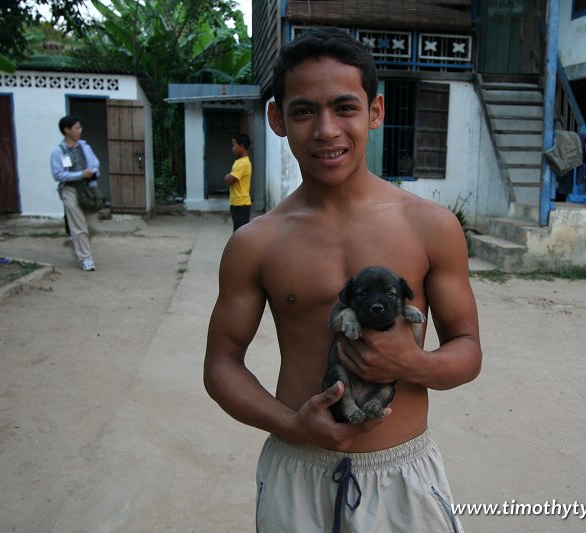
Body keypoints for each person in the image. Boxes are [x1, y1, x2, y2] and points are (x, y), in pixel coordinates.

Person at [204, 27, 481, 532]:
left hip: (402, 475)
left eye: (345, 107)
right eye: (304, 110)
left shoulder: (431, 226)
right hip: (297, 468)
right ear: (277, 119)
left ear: (375, 112)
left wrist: (412, 362)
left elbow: (467, 349)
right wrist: (289, 424)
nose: (326, 129)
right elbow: (221, 365)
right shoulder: (256, 243)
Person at [50, 115, 101, 271]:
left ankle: (75, 240)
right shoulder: (58, 152)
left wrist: (93, 173)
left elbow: (95, 163)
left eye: (80, 127)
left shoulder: (85, 147)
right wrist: (80, 174)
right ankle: (85, 258)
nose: (80, 130)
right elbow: (58, 174)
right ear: (67, 130)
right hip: (70, 190)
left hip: (87, 189)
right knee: (79, 227)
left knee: (92, 226)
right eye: (77, 128)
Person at [223, 132, 252, 231]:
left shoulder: (243, 163)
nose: (232, 148)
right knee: (238, 231)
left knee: (240, 232)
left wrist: (228, 176)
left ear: (242, 146)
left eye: (234, 145)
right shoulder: (239, 162)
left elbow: (230, 179)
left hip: (241, 204)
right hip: (236, 202)